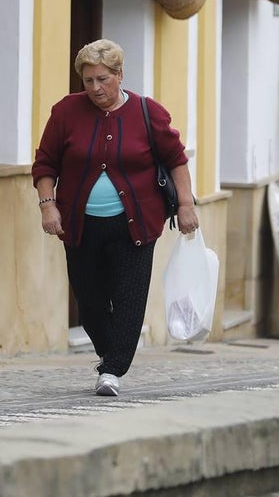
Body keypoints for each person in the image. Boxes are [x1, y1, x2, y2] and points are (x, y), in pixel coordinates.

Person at [32, 39, 199, 396]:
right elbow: (45, 163)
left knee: (128, 298)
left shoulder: (147, 112)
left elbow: (176, 159)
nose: (95, 88)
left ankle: (112, 371)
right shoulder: (66, 113)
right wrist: (48, 205)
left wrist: (186, 204)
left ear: (119, 75)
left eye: (103, 79)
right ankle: (111, 352)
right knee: (89, 301)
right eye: (88, 80)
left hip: (134, 224)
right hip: (80, 224)